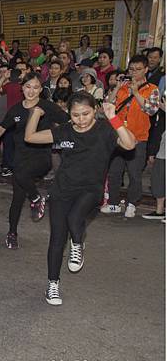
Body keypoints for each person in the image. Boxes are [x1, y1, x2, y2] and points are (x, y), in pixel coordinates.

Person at [24, 93, 136, 305]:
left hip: (91, 190)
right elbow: (30, 137)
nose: (81, 119)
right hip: (62, 190)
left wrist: (114, 118)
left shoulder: (104, 129)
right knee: (57, 239)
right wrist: (35, 114)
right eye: (76, 115)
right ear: (69, 114)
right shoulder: (64, 130)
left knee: (75, 219)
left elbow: (130, 145)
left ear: (95, 110)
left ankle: (77, 243)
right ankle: (53, 285)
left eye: (86, 113)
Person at [0, 72, 69, 249]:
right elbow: (1, 128)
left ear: (41, 89)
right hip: (20, 157)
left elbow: (68, 122)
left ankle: (36, 197)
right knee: (17, 197)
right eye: (28, 87)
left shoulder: (48, 107)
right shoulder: (15, 109)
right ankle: (12, 233)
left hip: (41, 157)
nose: (31, 91)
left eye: (36, 87)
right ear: (22, 88)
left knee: (22, 175)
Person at [102, 54, 160, 217]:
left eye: (138, 69)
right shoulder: (122, 86)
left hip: (138, 138)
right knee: (114, 172)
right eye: (131, 69)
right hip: (117, 137)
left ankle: (132, 203)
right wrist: (116, 87)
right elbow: (107, 105)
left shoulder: (152, 89)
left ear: (146, 70)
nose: (134, 72)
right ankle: (113, 203)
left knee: (134, 174)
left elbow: (151, 110)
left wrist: (136, 92)